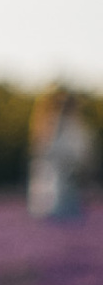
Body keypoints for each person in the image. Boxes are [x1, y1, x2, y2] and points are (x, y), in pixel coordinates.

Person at [28, 86, 93, 223]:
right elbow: (42, 147)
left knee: (64, 205)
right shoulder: (50, 123)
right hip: (53, 171)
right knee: (52, 204)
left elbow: (81, 150)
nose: (62, 109)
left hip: (66, 171)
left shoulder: (74, 125)